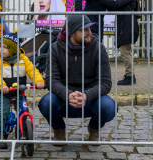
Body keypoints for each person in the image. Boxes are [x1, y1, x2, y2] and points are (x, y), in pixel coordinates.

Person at [38, 15, 116, 145]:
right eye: (84, 29)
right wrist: (67, 94)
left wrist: (86, 95)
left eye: (89, 28)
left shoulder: (99, 48)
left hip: (91, 99)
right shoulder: (55, 48)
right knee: (46, 103)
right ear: (71, 32)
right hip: (63, 98)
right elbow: (51, 80)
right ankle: (59, 129)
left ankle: (94, 128)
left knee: (109, 107)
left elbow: (105, 83)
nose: (89, 32)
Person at [0, 32, 45, 149]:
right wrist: (2, 86)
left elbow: (32, 71)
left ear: (14, 49)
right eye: (1, 46)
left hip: (19, 91)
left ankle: (23, 131)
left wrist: (39, 81)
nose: (1, 50)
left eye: (6, 47)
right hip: (3, 93)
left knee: (23, 110)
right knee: (2, 112)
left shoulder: (23, 59)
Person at [99, 0, 139, 85]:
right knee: (127, 52)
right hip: (127, 26)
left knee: (125, 53)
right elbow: (114, 7)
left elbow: (116, 4)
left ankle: (130, 76)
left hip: (127, 27)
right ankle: (130, 76)